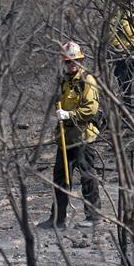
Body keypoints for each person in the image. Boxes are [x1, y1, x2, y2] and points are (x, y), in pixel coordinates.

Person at [37, 42, 101, 230]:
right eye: (68, 62)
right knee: (61, 178)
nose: (71, 65)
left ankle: (93, 216)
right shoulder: (64, 81)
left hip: (83, 136)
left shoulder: (87, 80)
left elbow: (91, 108)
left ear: (81, 60)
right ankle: (58, 219)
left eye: (74, 61)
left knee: (87, 176)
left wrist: (70, 115)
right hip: (65, 137)